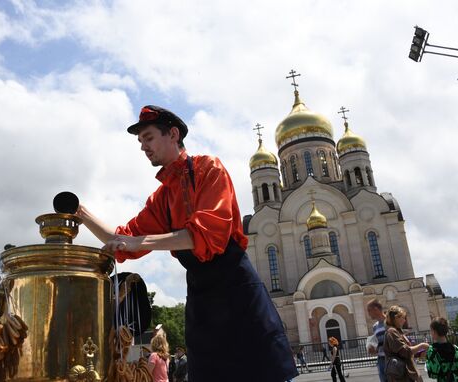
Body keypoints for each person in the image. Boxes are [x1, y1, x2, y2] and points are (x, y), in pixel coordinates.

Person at [77, 105, 297, 382]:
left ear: (173, 134)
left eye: (148, 138)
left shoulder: (209, 168)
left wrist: (136, 242)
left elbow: (205, 235)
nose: (143, 147)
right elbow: (120, 240)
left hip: (237, 292)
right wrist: (81, 213)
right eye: (140, 141)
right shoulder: (161, 197)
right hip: (201, 298)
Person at [383, 305, 429, 382]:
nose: (404, 320)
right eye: (403, 318)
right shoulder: (392, 332)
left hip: (406, 373)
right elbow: (404, 351)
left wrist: (419, 354)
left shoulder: (398, 331)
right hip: (400, 375)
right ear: (396, 318)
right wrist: (422, 346)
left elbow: (407, 353)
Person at [426, 317, 458, 381]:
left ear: (434, 332)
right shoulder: (456, 348)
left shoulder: (432, 351)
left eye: (431, 330)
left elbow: (433, 374)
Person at [367, 298, 388, 382]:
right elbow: (377, 345)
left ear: (376, 309)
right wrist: (373, 350)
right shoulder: (375, 326)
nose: (368, 313)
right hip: (380, 360)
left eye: (369, 310)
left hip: (391, 360)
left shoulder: (390, 322)